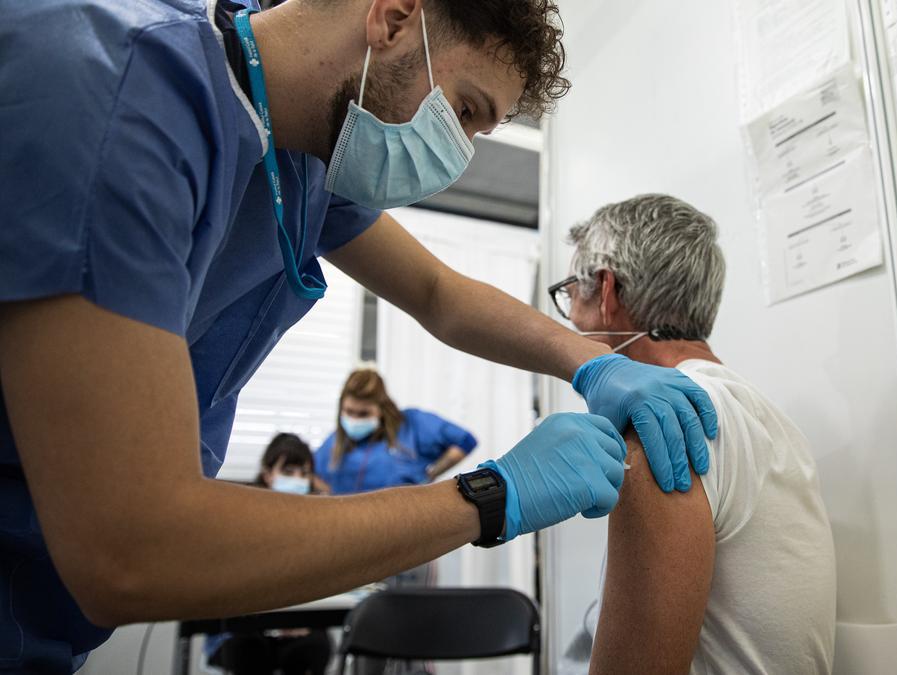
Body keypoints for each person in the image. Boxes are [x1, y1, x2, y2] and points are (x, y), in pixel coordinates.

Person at [0, 1, 720, 671]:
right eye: (465, 110)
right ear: (394, 17)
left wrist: (588, 363)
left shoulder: (300, 154)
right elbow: (130, 548)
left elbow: (440, 294)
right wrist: (491, 495)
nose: (458, 152)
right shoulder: (118, 95)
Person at [553, 195, 837, 674]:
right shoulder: (766, 417)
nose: (570, 324)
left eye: (569, 296)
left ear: (606, 292)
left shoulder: (663, 420)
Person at [205, 434, 333, 675]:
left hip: (297, 628)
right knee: (248, 649)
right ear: (267, 475)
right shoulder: (242, 517)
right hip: (242, 628)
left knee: (314, 647)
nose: (297, 479)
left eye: (304, 473)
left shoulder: (315, 523)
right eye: (288, 470)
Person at [315, 368, 475, 493]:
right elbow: (311, 473)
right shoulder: (335, 442)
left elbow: (465, 441)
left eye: (364, 413)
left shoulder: (412, 425)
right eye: (349, 412)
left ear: (381, 409)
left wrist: (431, 473)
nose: (355, 419)